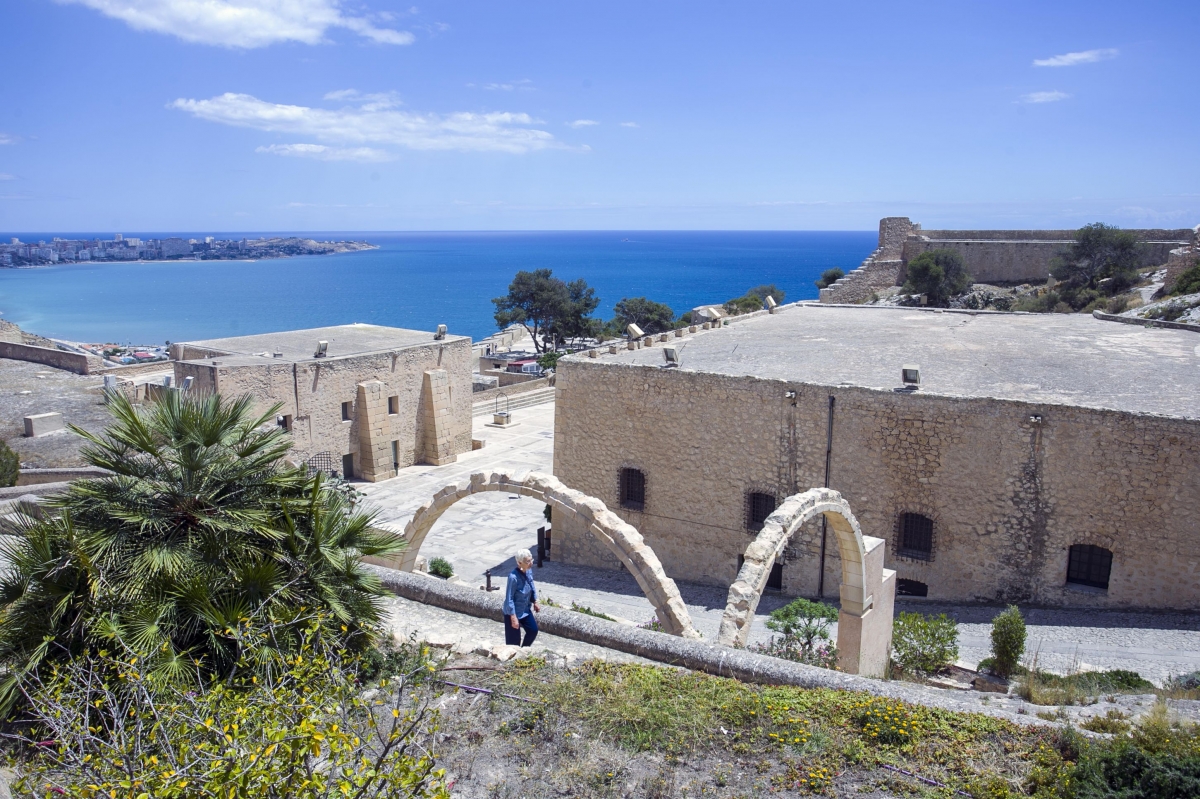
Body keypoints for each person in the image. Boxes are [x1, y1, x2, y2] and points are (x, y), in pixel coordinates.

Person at [502, 548, 541, 647]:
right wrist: (513, 617)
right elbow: (509, 598)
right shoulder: (513, 577)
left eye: (531, 560)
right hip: (513, 612)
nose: (531, 563)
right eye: (528, 561)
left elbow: (531, 585)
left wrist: (535, 600)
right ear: (520, 563)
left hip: (524, 610)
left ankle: (524, 651)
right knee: (513, 642)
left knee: (533, 630)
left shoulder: (528, 571)